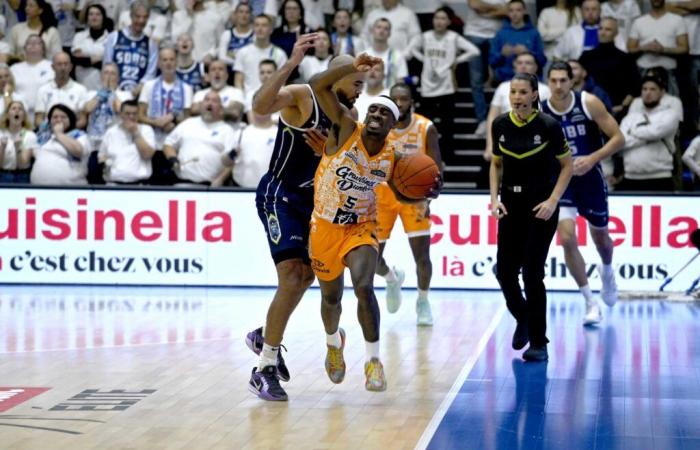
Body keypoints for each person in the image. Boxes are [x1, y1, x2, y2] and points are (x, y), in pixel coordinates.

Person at [309, 53, 439, 391]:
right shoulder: (346, 127)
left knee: (364, 286)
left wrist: (427, 193)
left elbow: (404, 193)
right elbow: (315, 84)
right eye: (374, 110)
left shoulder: (393, 158)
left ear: (394, 124)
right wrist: (353, 68)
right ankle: (333, 343)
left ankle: (373, 361)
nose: (378, 114)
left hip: (360, 227)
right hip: (324, 227)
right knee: (331, 300)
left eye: (386, 112)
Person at [245, 35, 365, 402]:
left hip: (317, 203)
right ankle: (264, 367)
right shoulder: (302, 96)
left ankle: (265, 335)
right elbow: (259, 106)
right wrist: (291, 62)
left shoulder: (350, 116)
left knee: (311, 275)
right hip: (280, 195)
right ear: (337, 77)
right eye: (356, 82)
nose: (360, 91)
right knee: (295, 276)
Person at [489, 72, 573, 362]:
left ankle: (539, 342)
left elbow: (567, 166)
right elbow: (496, 164)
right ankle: (523, 317)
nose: (517, 97)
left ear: (535, 94)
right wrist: (494, 199)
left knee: (533, 273)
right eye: (513, 92)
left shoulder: (549, 125)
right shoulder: (499, 124)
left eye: (523, 92)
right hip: (510, 203)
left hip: (541, 206)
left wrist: (553, 200)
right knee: (504, 271)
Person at [542, 61, 625, 325]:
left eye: (562, 80)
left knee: (601, 239)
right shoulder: (541, 110)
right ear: (548, 81)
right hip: (560, 181)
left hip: (589, 178)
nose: (558, 86)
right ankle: (590, 301)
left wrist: (593, 158)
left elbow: (618, 138)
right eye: (553, 80)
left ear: (572, 81)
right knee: (566, 239)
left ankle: (608, 272)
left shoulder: (588, 103)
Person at [375, 82, 442, 325]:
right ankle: (392, 279)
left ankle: (423, 301)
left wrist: (430, 197)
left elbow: (437, 167)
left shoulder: (426, 127)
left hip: (415, 198)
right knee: (372, 259)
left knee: (422, 256)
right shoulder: (378, 126)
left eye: (404, 99)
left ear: (411, 101)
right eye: (396, 99)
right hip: (382, 196)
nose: (400, 103)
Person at [408, 7, 480, 162]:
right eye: (436, 18)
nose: (439, 21)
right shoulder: (425, 37)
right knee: (426, 124)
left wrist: (456, 61)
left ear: (448, 21)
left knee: (448, 125)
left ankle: (447, 155)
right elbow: (411, 50)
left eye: (443, 18)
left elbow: (474, 51)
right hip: (428, 86)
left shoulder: (454, 37)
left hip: (447, 87)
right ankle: (425, 153)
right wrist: (423, 59)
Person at [617, 71, 683, 191]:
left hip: (660, 177)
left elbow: (655, 133)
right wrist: (648, 139)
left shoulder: (670, 115)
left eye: (653, 89)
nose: (648, 93)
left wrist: (633, 132)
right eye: (644, 89)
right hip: (630, 177)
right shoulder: (630, 117)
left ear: (662, 92)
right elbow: (621, 142)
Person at [483, 52, 550, 161]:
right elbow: (492, 118)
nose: (523, 66)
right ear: (514, 66)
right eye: (519, 63)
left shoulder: (545, 90)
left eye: (528, 63)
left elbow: (550, 122)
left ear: (536, 67)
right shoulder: (503, 87)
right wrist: (490, 146)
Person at [162, 91, 238, 186]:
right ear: (201, 105)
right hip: (181, 184)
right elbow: (168, 143)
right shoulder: (187, 123)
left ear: (221, 109)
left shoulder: (227, 130)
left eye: (214, 101)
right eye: (207, 100)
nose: (210, 103)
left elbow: (232, 161)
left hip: (209, 187)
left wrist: (220, 179)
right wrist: (173, 159)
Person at [138, 47, 193, 150]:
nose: (168, 63)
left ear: (176, 62)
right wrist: (156, 122)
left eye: (171, 59)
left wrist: (175, 123)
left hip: (175, 143)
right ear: (159, 63)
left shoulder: (186, 88)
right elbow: (140, 116)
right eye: (165, 60)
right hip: (151, 141)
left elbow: (187, 119)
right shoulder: (148, 85)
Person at [103, 1, 159, 94]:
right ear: (131, 16)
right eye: (138, 16)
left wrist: (138, 89)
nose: (141, 21)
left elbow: (150, 74)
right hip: (114, 91)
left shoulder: (151, 44)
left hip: (139, 93)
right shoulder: (114, 37)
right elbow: (106, 64)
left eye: (145, 17)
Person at [29, 103, 91, 185]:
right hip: (39, 189)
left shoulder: (79, 135)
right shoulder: (42, 138)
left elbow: (78, 151)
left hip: (71, 189)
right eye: (55, 117)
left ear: (70, 119)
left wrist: (59, 134)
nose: (59, 120)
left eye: (63, 117)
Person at [98, 99, 156, 185]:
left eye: (134, 114)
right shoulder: (111, 132)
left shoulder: (146, 130)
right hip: (113, 184)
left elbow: (147, 154)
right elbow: (102, 155)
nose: (131, 117)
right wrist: (104, 164)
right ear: (121, 114)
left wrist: (135, 132)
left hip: (139, 185)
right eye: (127, 113)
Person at [488, 0, 546, 84]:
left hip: (530, 80)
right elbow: (491, 62)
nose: (514, 14)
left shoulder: (534, 33)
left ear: (525, 11)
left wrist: (528, 52)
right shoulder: (500, 34)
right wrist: (502, 54)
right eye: (511, 10)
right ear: (507, 13)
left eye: (518, 10)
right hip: (505, 80)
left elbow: (542, 61)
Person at [219, 107, 276, 188]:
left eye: (264, 104)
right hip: (241, 188)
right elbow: (225, 162)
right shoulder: (240, 133)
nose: (261, 108)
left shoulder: (280, 134)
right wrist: (232, 154)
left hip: (270, 191)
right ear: (253, 109)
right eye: (258, 105)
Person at [234, 14, 288, 97]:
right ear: (253, 28)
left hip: (271, 99)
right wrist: (241, 99)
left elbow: (282, 83)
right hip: (248, 99)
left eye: (264, 25)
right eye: (257, 25)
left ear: (271, 30)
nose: (260, 29)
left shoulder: (280, 54)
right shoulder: (242, 52)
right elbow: (238, 81)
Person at [35, 51, 90, 129]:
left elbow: (83, 120)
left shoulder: (81, 90)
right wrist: (52, 131)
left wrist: (66, 132)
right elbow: (38, 120)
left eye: (66, 64)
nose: (63, 68)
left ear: (71, 67)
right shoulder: (43, 90)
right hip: (49, 133)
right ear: (52, 67)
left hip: (73, 134)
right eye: (59, 64)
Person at [71, 3, 111, 92]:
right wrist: (99, 59)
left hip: (103, 87)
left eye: (98, 14)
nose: (94, 17)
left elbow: (109, 63)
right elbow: (76, 60)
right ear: (87, 17)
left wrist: (87, 59)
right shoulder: (79, 36)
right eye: (91, 14)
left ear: (103, 17)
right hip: (81, 85)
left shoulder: (111, 38)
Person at [0, 101, 37, 183]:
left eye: (20, 109)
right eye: (13, 108)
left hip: (22, 176)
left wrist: (17, 148)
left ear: (24, 116)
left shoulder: (30, 135)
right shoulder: (1, 133)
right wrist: (2, 147)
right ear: (7, 115)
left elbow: (23, 165)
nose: (17, 111)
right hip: (3, 174)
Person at [217, 2, 254, 67]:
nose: (244, 15)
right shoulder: (227, 34)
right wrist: (240, 63)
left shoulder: (255, 35)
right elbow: (222, 58)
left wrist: (232, 57)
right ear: (235, 14)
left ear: (251, 15)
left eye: (247, 12)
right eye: (241, 12)